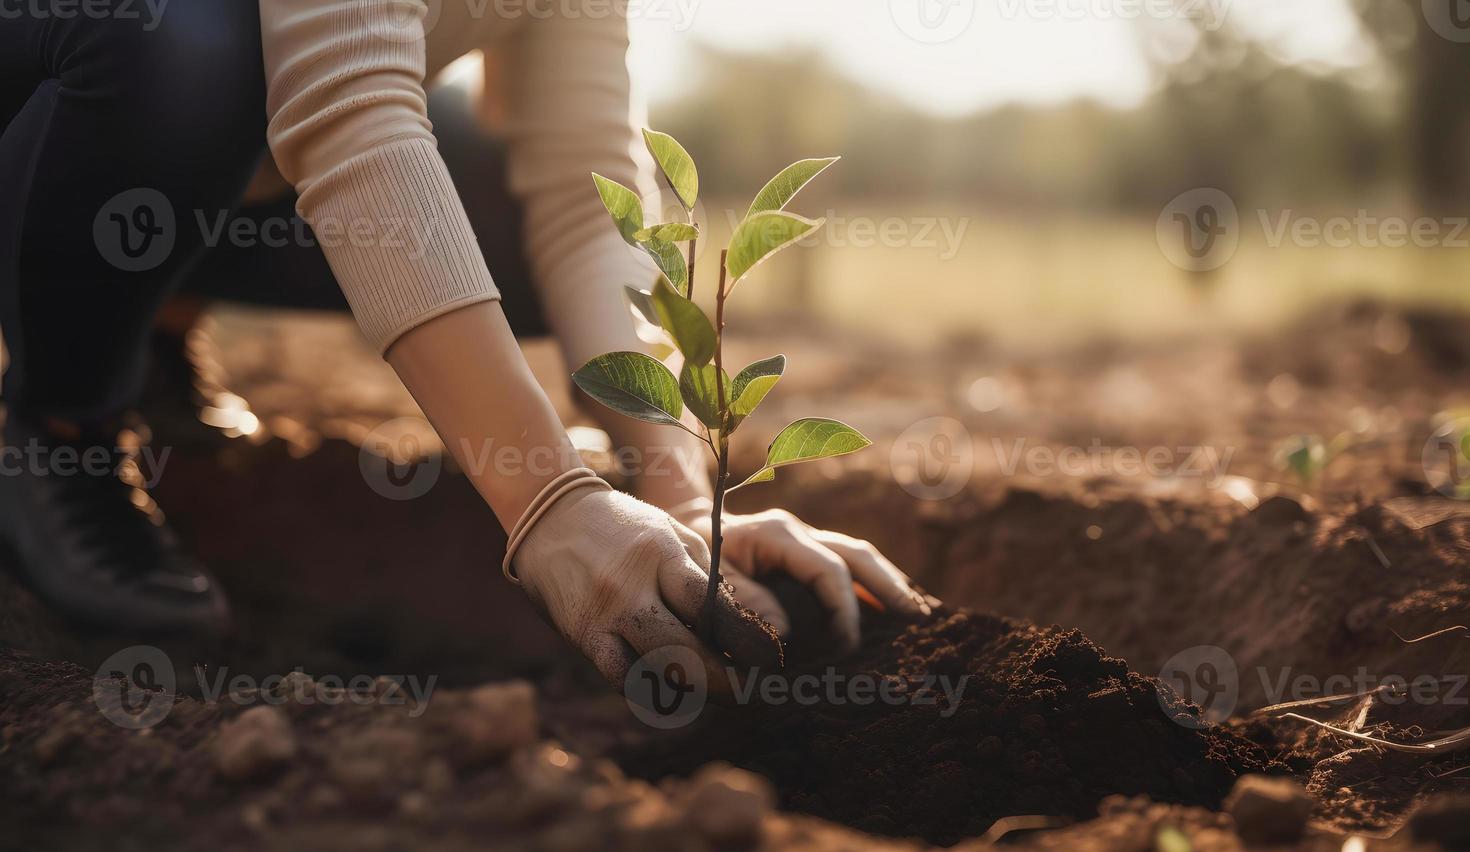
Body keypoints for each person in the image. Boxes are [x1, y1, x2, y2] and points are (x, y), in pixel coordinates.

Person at [0, 0, 928, 686]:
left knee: (503, 201)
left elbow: (582, 183)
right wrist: (549, 501)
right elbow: (349, 107)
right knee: (175, 45)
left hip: (196, 162)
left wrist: (677, 488)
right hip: (53, 72)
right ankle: (61, 419)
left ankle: (152, 312)